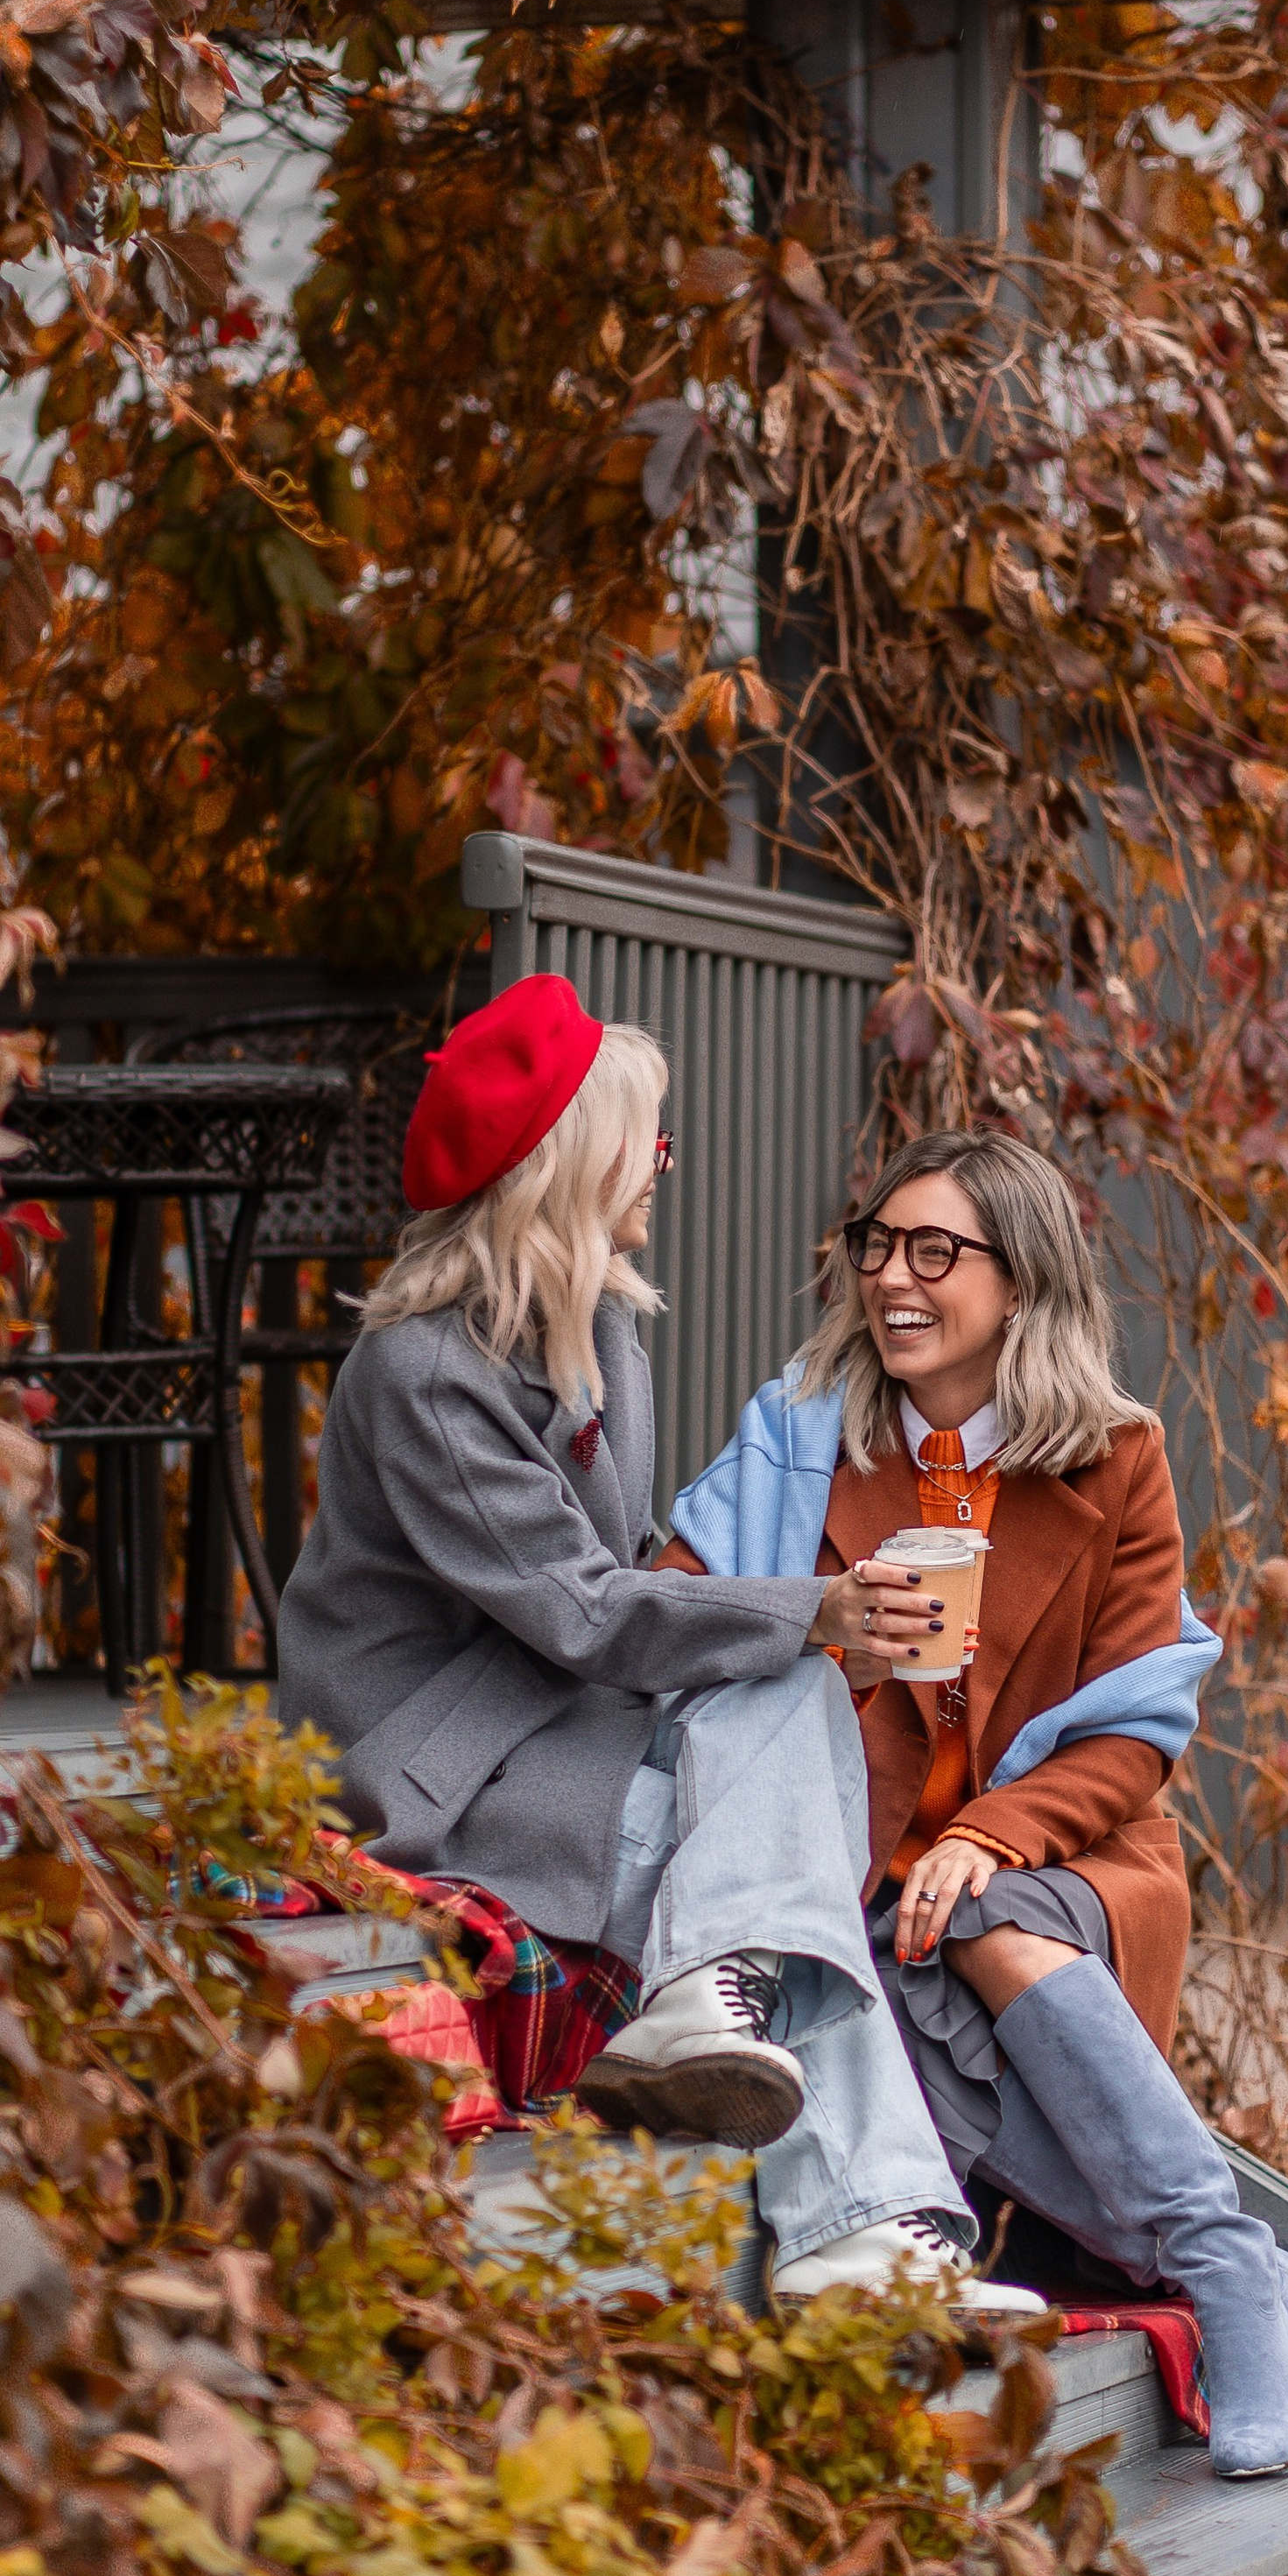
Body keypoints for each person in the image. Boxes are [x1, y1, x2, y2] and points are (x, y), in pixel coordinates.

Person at [273, 977, 1036, 2316]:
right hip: (444, 1759)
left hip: (552, 1718)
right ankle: (868, 2226)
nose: (665, 1169)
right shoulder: (422, 1376)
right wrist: (816, 1606)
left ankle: (739, 2042)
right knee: (775, 1822)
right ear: (575, 1165)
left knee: (787, 1741)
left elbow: (610, 1599)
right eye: (652, 1143)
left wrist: (806, 1630)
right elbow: (581, 1607)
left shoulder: (599, 1327)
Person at [665, 1129, 1288, 2482]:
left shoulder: (1114, 1458)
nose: (894, 1277)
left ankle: (1229, 2272)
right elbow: (674, 1609)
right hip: (868, 1880)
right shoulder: (797, 1435)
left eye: (936, 1250)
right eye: (877, 1244)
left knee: (975, 1909)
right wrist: (823, 1633)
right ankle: (1253, 2282)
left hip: (1072, 1863)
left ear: (1022, 1278)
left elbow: (1135, 1737)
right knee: (902, 1962)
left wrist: (990, 1831)